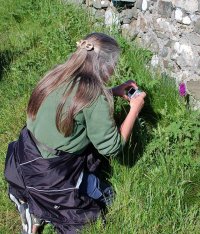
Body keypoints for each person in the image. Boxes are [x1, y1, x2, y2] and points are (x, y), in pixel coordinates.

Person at [4, 32, 146, 234]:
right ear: (105, 65)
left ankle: (34, 209)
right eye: (114, 63)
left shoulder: (58, 74)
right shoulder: (95, 98)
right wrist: (134, 109)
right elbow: (113, 147)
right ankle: (42, 211)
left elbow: (76, 98)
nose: (114, 69)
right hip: (54, 175)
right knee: (108, 197)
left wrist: (112, 91)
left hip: (24, 157)